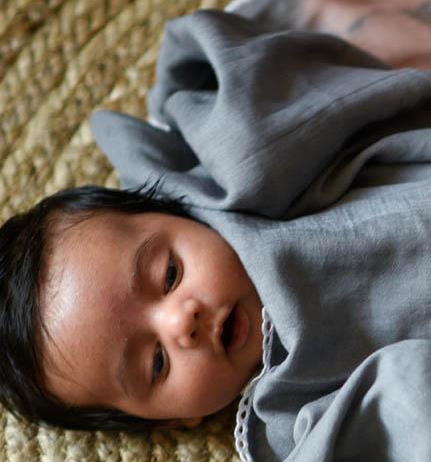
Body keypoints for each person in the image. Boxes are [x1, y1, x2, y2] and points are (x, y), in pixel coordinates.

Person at [0, 183, 264, 432]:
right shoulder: (280, 421)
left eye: (170, 275)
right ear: (170, 420)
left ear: (172, 212)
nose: (181, 322)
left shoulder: (244, 184)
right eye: (157, 362)